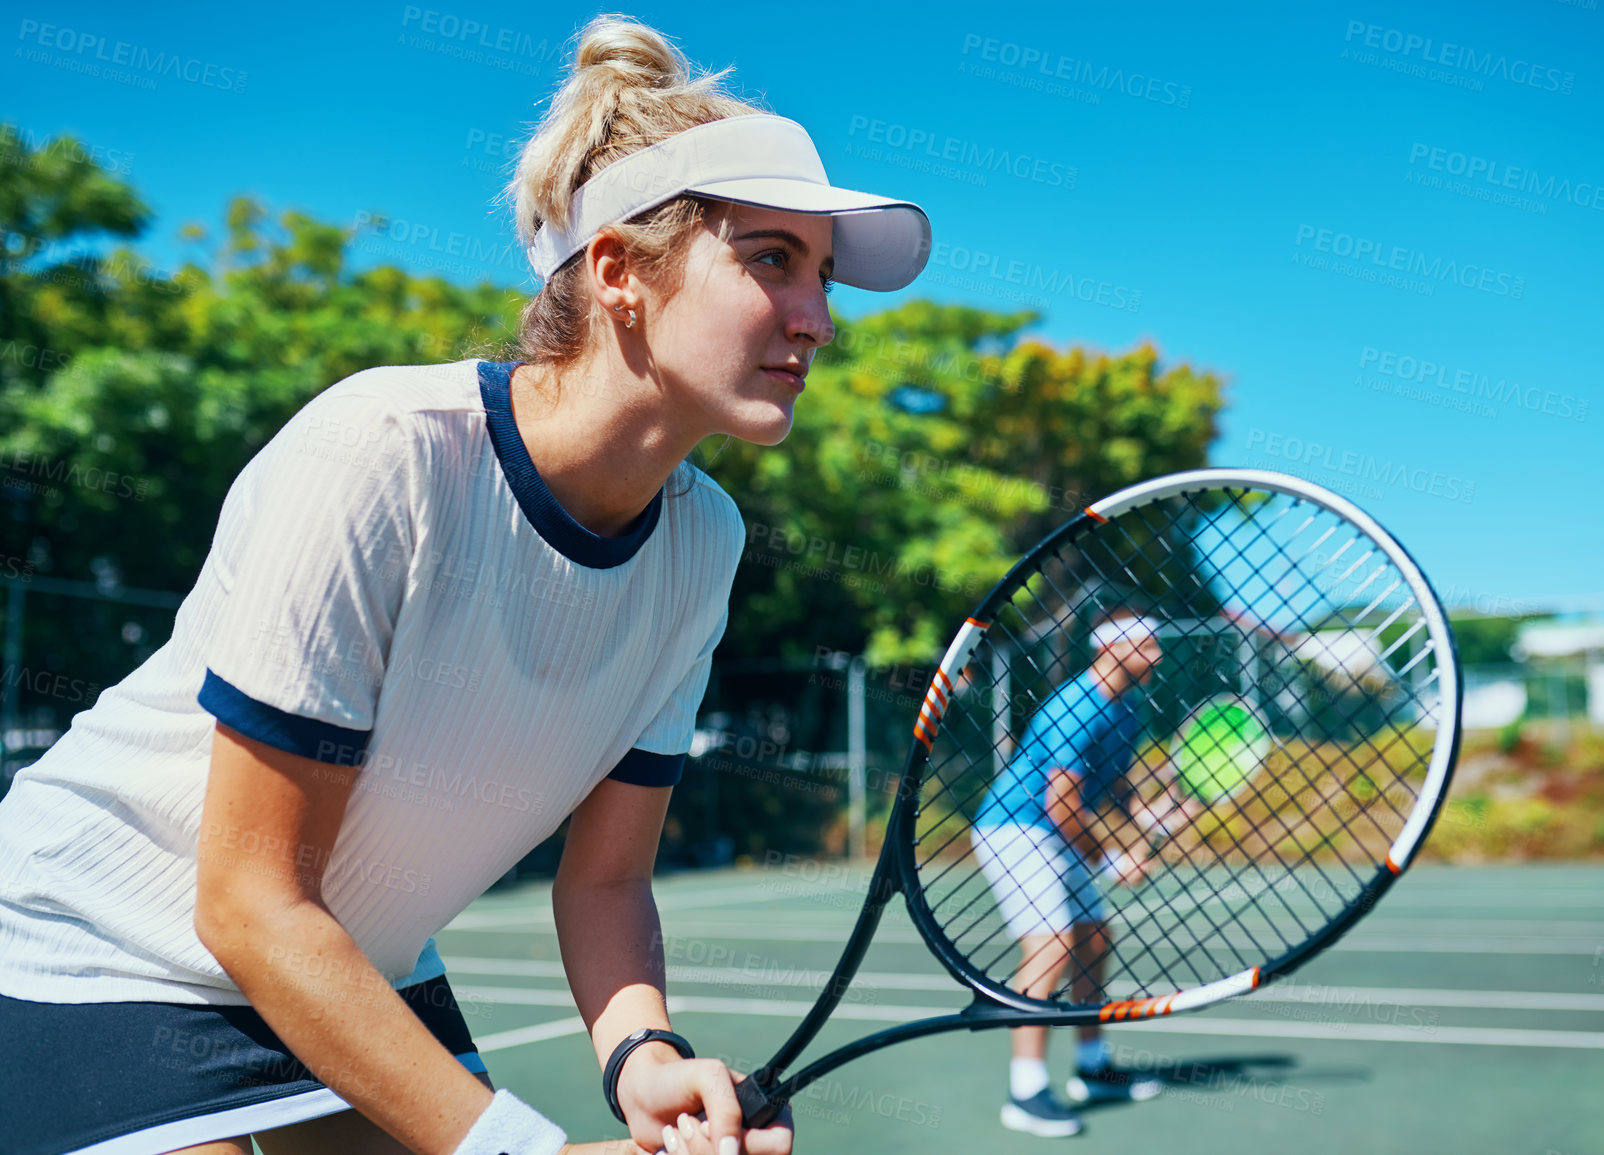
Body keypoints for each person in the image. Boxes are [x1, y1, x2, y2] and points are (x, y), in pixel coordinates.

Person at [0, 15, 929, 1155]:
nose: (819, 320)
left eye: (825, 277)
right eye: (772, 258)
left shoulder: (704, 543)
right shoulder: (382, 451)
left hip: (348, 956)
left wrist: (644, 1057)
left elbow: (607, 882)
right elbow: (245, 902)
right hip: (96, 942)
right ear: (619, 271)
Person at [970, 611, 1199, 1137]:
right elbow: (1061, 803)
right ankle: (1025, 1092)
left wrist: (1152, 816)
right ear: (1110, 650)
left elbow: (1115, 786)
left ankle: (1093, 1069)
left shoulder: (1128, 707)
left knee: (1094, 939)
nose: (1157, 655)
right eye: (1146, 645)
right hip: (1016, 829)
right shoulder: (1077, 706)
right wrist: (1113, 859)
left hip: (1051, 829)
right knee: (1052, 945)